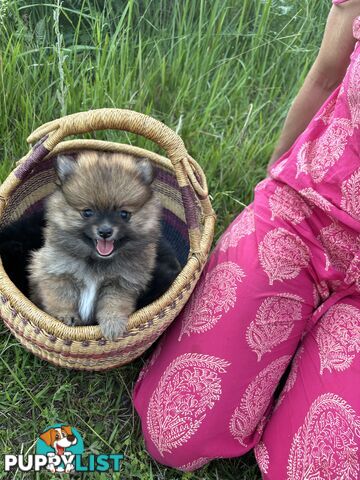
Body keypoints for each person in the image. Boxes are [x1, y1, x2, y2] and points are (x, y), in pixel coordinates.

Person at [132, 1, 360, 478]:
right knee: (173, 433)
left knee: (309, 471)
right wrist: (270, 189)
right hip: (301, 215)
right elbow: (324, 78)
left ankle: (309, 351)